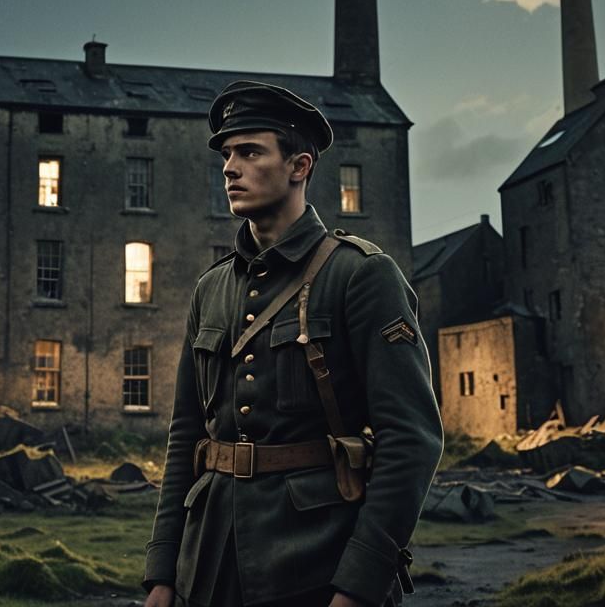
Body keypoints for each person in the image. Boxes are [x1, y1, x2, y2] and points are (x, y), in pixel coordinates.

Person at [143, 80, 443, 607]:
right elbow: (186, 435)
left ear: (299, 166)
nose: (230, 168)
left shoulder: (361, 275)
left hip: (315, 562)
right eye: (227, 154)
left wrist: (359, 584)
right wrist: (163, 571)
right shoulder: (210, 289)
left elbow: (411, 439)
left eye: (250, 152)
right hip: (209, 563)